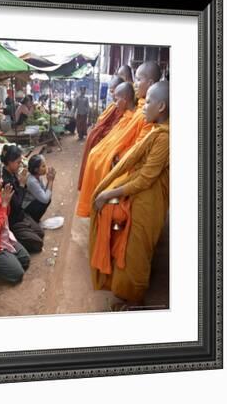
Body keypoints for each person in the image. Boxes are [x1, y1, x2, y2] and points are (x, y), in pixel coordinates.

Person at [89, 81, 169, 306]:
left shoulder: (164, 137)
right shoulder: (156, 131)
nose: (143, 105)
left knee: (137, 254)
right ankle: (126, 291)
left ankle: (135, 301)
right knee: (129, 248)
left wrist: (109, 193)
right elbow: (135, 162)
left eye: (149, 102)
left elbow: (146, 179)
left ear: (161, 107)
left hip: (148, 202)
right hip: (142, 196)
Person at [76, 61, 161, 217]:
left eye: (137, 79)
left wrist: (119, 158)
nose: (134, 84)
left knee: (100, 162)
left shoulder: (148, 113)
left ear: (150, 83)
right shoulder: (142, 106)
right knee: (95, 155)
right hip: (124, 152)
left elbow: (139, 145)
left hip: (131, 164)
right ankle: (91, 206)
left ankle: (98, 208)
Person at [78, 82, 133, 191]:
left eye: (113, 92)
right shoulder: (116, 108)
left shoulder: (132, 116)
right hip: (81, 116)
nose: (113, 98)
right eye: (111, 91)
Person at [1, 145, 44, 253]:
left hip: (21, 214)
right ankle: (14, 237)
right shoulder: (6, 181)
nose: (20, 164)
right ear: (9, 162)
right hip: (13, 219)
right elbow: (17, 204)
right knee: (37, 244)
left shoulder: (12, 173)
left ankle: (26, 230)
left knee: (40, 233)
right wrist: (21, 185)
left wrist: (21, 184)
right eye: (18, 162)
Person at [22, 155, 56, 222]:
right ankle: (33, 220)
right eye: (43, 166)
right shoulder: (31, 181)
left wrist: (49, 180)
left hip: (32, 201)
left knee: (48, 198)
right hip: (26, 207)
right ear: (36, 169)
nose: (45, 168)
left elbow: (44, 191)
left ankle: (34, 219)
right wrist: (50, 181)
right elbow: (45, 199)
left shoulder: (37, 176)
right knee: (46, 201)